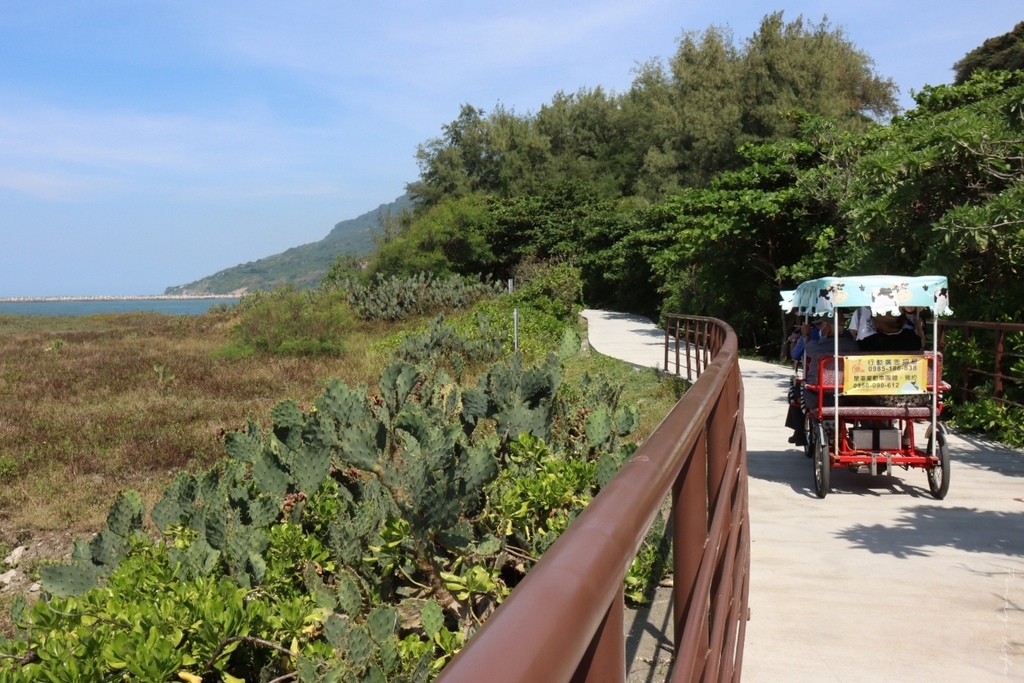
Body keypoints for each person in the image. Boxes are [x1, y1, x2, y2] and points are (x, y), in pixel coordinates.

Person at [785, 315, 858, 446]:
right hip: (846, 397)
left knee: (795, 389)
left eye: (821, 325)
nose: (820, 329)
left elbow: (799, 352)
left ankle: (799, 432)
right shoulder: (853, 345)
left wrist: (805, 335)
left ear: (828, 328)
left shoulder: (816, 345)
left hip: (818, 397)